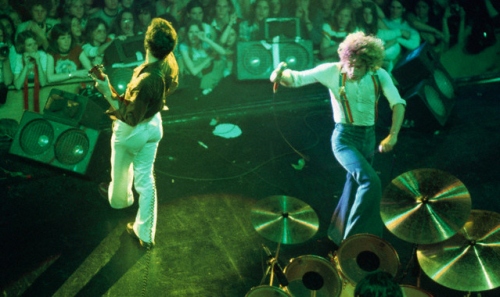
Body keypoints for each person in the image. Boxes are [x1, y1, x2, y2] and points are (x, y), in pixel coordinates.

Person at [270, 31, 406, 246]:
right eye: (349, 64)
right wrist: (279, 75)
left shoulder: (380, 75)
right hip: (344, 139)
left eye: (359, 66)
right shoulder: (332, 71)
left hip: (368, 138)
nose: (352, 70)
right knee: (370, 182)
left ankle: (337, 234)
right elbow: (296, 78)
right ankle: (355, 240)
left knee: (354, 184)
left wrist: (393, 134)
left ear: (369, 64)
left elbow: (398, 103)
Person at [92, 17, 179, 249]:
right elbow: (174, 85)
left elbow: (130, 117)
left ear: (146, 44)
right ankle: (146, 234)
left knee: (120, 169)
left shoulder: (146, 80)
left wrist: (106, 90)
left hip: (132, 130)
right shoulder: (169, 62)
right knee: (146, 178)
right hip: (154, 126)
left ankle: (120, 201)